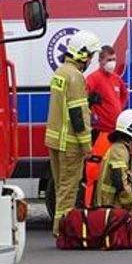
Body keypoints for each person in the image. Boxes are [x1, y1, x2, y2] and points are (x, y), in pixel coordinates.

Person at [45, 29, 101, 235]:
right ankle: (63, 231)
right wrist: (87, 146)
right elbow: (77, 115)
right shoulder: (76, 77)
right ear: (83, 54)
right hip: (70, 144)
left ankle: (59, 228)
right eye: (91, 56)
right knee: (68, 190)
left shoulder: (60, 73)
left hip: (54, 140)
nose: (91, 61)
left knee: (61, 188)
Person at [94, 108, 132, 243]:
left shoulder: (122, 149)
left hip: (116, 202)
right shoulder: (119, 151)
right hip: (112, 204)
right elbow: (119, 181)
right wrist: (129, 206)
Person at [86, 44, 129, 138]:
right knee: (101, 153)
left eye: (114, 59)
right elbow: (83, 96)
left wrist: (119, 108)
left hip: (116, 129)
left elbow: (124, 94)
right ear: (100, 60)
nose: (112, 63)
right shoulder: (93, 78)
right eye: (109, 60)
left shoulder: (116, 78)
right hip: (101, 131)